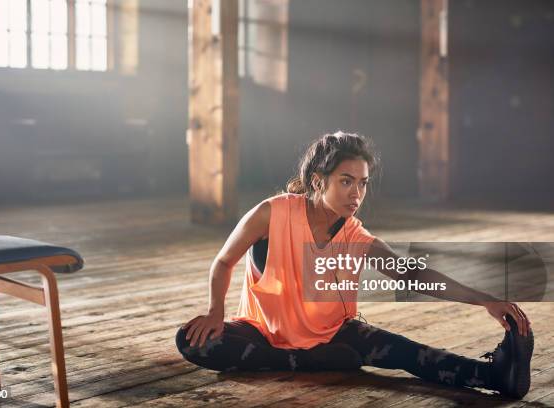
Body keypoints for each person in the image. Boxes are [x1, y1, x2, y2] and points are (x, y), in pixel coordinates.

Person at [175, 131, 534, 399]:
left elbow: (414, 274)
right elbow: (223, 261)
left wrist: (485, 299)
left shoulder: (356, 237)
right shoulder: (273, 212)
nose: (356, 194)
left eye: (362, 184)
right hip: (261, 332)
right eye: (346, 182)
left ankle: (495, 376)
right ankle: (304, 362)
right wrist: (214, 311)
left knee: (411, 354)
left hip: (333, 336)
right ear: (318, 181)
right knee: (192, 341)